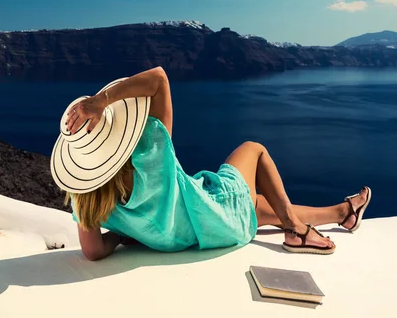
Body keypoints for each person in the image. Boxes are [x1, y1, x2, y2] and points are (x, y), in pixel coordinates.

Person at [54, 67, 371, 261]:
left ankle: (343, 214)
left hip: (191, 234)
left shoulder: (87, 200)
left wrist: (124, 236)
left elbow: (93, 251)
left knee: (257, 205)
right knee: (253, 149)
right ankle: (297, 231)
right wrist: (101, 102)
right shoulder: (151, 153)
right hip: (216, 217)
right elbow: (158, 79)